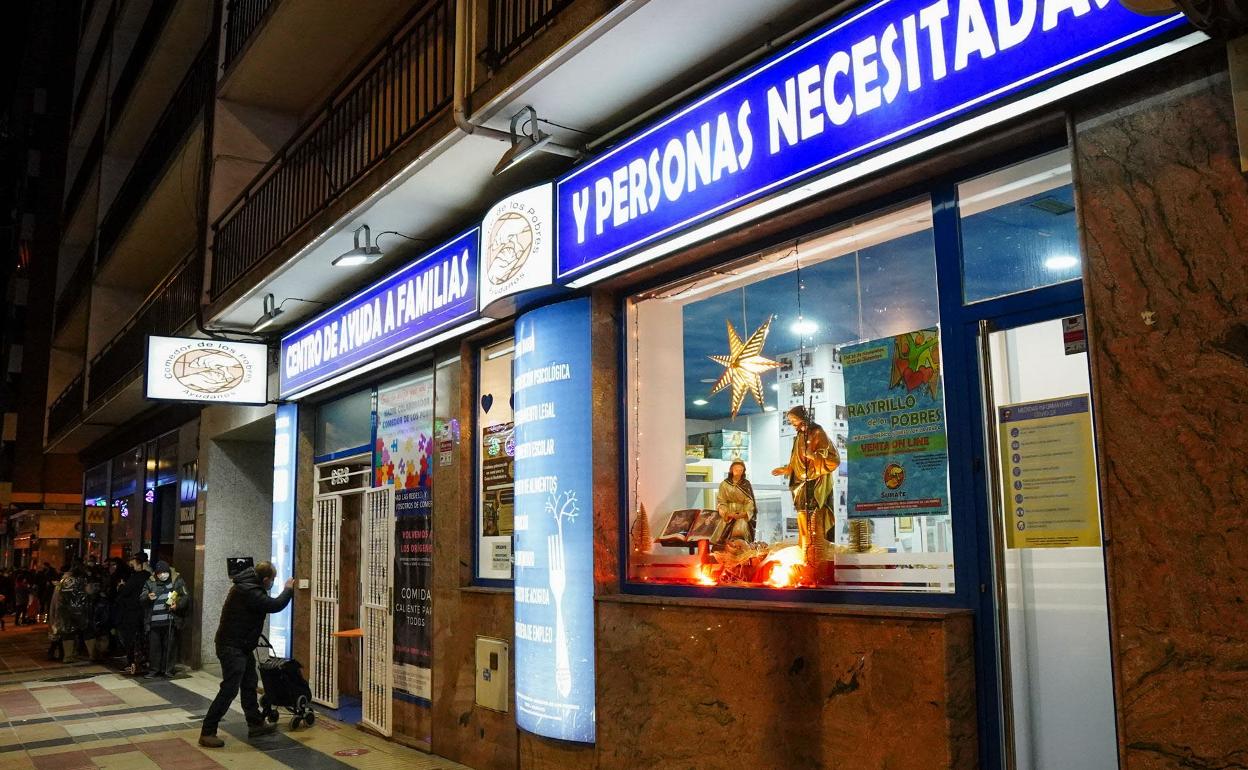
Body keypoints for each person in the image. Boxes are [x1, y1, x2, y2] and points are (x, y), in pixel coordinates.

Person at [199, 562, 295, 748]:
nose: (272, 583)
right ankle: (207, 731)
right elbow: (274, 605)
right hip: (232, 647)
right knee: (229, 689)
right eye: (272, 580)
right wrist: (288, 589)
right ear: (265, 579)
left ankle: (255, 723)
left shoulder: (247, 584)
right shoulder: (250, 591)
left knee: (249, 682)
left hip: (240, 646)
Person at [772, 405, 840, 582]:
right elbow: (797, 460)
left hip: (814, 481)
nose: (792, 423)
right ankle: (806, 558)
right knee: (803, 519)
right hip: (800, 483)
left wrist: (813, 456)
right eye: (790, 421)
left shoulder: (817, 432)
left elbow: (832, 459)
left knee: (814, 522)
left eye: (794, 419)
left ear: (802, 417)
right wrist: (787, 469)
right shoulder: (799, 436)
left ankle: (816, 563)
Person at [140, 561, 189, 678]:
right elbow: (142, 597)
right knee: (154, 648)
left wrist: (177, 605)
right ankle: (154, 670)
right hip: (154, 621)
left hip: (170, 620)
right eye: (159, 573)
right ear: (156, 574)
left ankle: (168, 670)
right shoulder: (150, 582)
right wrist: (148, 597)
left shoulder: (177, 581)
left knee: (170, 647)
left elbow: (185, 596)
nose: (162, 575)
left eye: (164, 572)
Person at [117, 553, 150, 674]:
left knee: (130, 638)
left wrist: (121, 587)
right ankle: (142, 661)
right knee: (142, 637)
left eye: (134, 563)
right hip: (144, 611)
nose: (132, 565)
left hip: (132, 612)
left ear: (139, 564)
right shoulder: (148, 576)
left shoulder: (135, 577)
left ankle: (132, 662)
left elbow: (125, 592)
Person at [716, 460, 757, 542]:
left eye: (740, 470)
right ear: (731, 470)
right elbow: (721, 501)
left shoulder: (746, 484)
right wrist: (727, 513)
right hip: (728, 515)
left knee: (740, 531)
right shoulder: (724, 484)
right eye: (736, 470)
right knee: (722, 534)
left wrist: (745, 513)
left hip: (742, 514)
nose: (738, 472)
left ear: (743, 471)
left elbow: (750, 501)